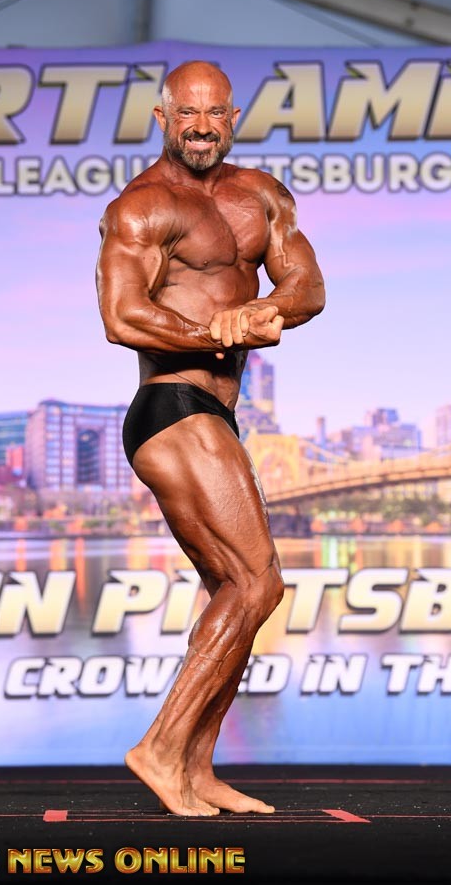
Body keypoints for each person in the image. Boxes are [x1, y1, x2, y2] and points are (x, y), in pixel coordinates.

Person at [95, 60, 325, 816]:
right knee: (259, 584)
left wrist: (260, 313)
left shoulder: (261, 195)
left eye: (214, 113)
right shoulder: (141, 207)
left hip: (215, 413)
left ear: (232, 119)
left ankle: (196, 769)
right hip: (172, 404)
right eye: (186, 114)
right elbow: (121, 316)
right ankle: (160, 749)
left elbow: (307, 287)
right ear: (163, 119)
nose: (200, 127)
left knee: (237, 593)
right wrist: (212, 332)